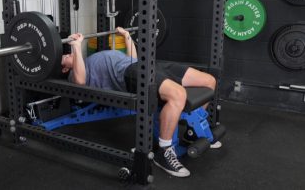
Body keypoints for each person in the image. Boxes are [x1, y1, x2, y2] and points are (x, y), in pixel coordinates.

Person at [61, 27, 220, 177]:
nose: (68, 55)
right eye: (65, 57)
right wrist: (76, 45)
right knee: (178, 94)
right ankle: (164, 152)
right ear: (65, 69)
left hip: (144, 65)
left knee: (209, 81)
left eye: (68, 53)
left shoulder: (87, 60)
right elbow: (80, 81)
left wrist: (127, 37)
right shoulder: (74, 75)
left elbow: (133, 59)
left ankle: (191, 131)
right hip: (129, 74)